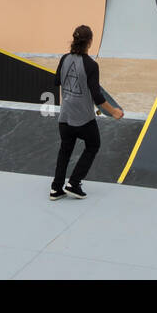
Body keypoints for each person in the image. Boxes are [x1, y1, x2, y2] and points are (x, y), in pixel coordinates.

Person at [49, 24, 124, 200]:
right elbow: (97, 97)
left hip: (65, 117)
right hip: (83, 119)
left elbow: (56, 82)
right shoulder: (91, 65)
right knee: (93, 145)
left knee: (65, 150)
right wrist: (114, 112)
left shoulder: (64, 59)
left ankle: (56, 188)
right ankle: (74, 184)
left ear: (74, 40)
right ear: (89, 42)